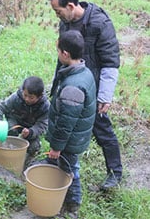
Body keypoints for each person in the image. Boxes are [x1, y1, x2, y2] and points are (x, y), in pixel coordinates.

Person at [48, 0, 122, 191]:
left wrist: (105, 95)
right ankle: (60, 165)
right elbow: (63, 56)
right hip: (70, 85)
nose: (57, 16)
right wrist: (57, 85)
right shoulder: (66, 21)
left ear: (71, 6)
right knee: (65, 122)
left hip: (93, 88)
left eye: (58, 11)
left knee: (102, 129)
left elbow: (111, 60)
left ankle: (115, 173)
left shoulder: (99, 22)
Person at [44, 29, 96, 218]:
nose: (57, 54)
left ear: (65, 54)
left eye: (58, 51)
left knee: (70, 169)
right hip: (77, 135)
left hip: (70, 140)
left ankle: (72, 205)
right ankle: (54, 175)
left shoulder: (72, 87)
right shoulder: (83, 70)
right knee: (67, 165)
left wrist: (56, 147)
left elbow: (66, 123)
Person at [0, 76, 50, 168]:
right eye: (25, 95)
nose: (27, 99)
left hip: (31, 128)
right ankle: (7, 154)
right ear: (22, 91)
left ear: (40, 97)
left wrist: (31, 132)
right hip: (15, 122)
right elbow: (0, 107)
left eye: (31, 98)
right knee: (10, 131)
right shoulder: (16, 97)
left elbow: (42, 125)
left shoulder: (45, 107)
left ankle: (24, 162)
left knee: (33, 147)